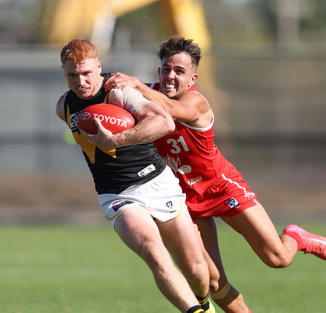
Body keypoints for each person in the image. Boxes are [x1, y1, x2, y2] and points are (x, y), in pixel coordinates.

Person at [105, 35, 326, 313]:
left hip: (221, 187)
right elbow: (106, 98)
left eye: (179, 71)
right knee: (212, 282)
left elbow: (173, 111)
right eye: (166, 69)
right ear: (159, 71)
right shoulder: (144, 98)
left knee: (277, 258)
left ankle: (296, 237)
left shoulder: (195, 102)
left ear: (192, 79)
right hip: (182, 199)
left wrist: (135, 85)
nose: (171, 76)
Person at [56, 38, 216, 313]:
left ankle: (203, 303)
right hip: (117, 194)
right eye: (72, 75)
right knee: (154, 253)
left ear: (99, 67)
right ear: (64, 72)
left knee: (197, 271)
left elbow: (164, 122)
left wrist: (116, 140)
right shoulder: (64, 106)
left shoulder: (118, 93)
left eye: (86, 73)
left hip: (157, 181)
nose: (81, 81)